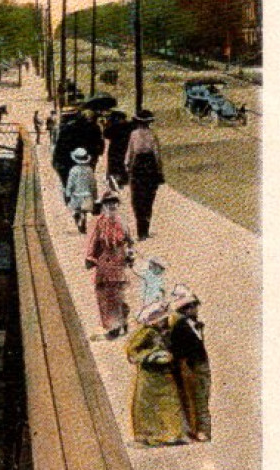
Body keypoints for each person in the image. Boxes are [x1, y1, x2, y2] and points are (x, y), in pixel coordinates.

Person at [125, 296, 186, 447]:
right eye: (162, 320)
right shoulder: (146, 333)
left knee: (171, 403)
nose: (165, 322)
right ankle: (149, 435)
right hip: (149, 377)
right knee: (147, 406)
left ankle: (172, 434)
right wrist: (152, 355)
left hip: (165, 375)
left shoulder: (165, 331)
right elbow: (132, 353)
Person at [84, 184, 135, 339]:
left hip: (118, 263)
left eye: (114, 203)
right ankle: (112, 327)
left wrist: (130, 254)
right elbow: (92, 242)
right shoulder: (99, 223)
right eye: (108, 203)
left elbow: (129, 241)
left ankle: (120, 322)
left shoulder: (122, 222)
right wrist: (90, 257)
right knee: (105, 297)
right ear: (103, 206)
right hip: (104, 264)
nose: (111, 206)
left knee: (118, 295)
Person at [167, 285, 211, 442]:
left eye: (195, 305)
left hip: (201, 364)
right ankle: (200, 430)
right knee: (196, 398)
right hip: (190, 366)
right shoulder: (180, 326)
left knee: (203, 396)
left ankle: (202, 429)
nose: (195, 309)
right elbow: (176, 348)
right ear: (185, 310)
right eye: (191, 306)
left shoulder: (195, 324)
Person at [125, 109, 165, 239]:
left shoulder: (134, 134)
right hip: (150, 166)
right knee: (148, 198)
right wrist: (159, 171)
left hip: (138, 167)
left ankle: (140, 229)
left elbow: (130, 154)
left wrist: (127, 167)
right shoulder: (152, 135)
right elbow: (157, 155)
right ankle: (145, 229)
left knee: (137, 198)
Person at [64, 148, 97, 234]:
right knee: (84, 211)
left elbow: (70, 183)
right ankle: (83, 222)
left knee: (77, 209)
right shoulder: (89, 170)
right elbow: (93, 183)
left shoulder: (73, 170)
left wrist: (68, 194)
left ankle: (77, 218)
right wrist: (95, 195)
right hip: (87, 195)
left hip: (76, 195)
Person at [101, 109, 135, 189]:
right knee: (123, 163)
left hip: (115, 148)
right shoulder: (129, 126)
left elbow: (106, 134)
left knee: (115, 163)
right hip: (125, 147)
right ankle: (123, 178)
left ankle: (115, 179)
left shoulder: (114, 127)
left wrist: (105, 125)